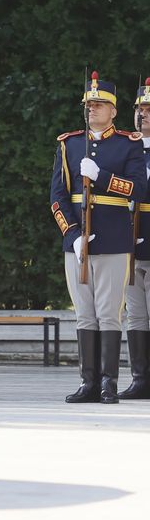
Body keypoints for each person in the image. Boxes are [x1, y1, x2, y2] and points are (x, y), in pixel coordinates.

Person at [52, 72, 144, 404]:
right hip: (78, 243)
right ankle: (87, 382)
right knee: (84, 313)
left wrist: (101, 177)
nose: (92, 109)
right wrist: (73, 234)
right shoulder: (69, 143)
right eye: (89, 104)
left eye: (99, 104)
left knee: (108, 312)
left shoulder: (128, 143)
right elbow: (57, 197)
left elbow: (138, 188)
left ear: (113, 110)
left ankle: (108, 382)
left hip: (114, 237)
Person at [124, 79, 150, 400]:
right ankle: (139, 378)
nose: (143, 115)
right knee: (135, 313)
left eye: (149, 109)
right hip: (128, 237)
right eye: (140, 109)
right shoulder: (125, 148)